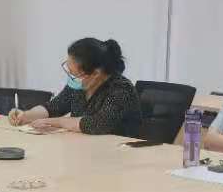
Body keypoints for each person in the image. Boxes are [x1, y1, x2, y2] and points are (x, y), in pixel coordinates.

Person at [9, 37, 140, 137]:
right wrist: (26, 115)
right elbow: (53, 107)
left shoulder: (121, 89)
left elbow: (96, 124)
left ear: (95, 73)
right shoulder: (79, 85)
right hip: (85, 149)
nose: (71, 77)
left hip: (118, 154)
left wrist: (56, 122)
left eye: (74, 73)